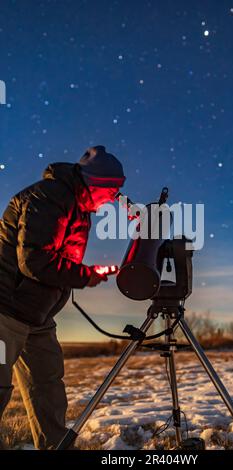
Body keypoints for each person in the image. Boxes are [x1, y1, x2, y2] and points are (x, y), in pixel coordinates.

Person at [0, 145, 126, 449]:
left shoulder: (78, 207)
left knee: (47, 390)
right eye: (112, 192)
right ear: (96, 183)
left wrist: (84, 274)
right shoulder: (49, 197)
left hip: (38, 316)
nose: (112, 199)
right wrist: (86, 275)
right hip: (6, 311)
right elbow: (34, 262)